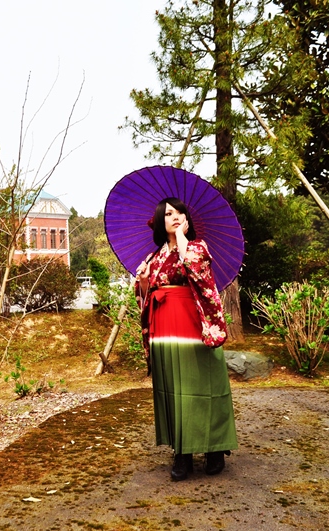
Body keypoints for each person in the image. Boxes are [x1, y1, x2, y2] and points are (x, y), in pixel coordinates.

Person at [135, 197, 238, 481]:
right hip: (164, 327)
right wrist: (143, 280)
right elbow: (145, 294)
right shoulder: (154, 257)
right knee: (172, 387)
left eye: (179, 212)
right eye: (169, 213)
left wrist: (182, 238)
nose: (175, 216)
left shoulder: (197, 247)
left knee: (201, 384)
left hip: (193, 324)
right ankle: (182, 452)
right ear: (159, 221)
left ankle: (214, 449)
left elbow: (198, 273)